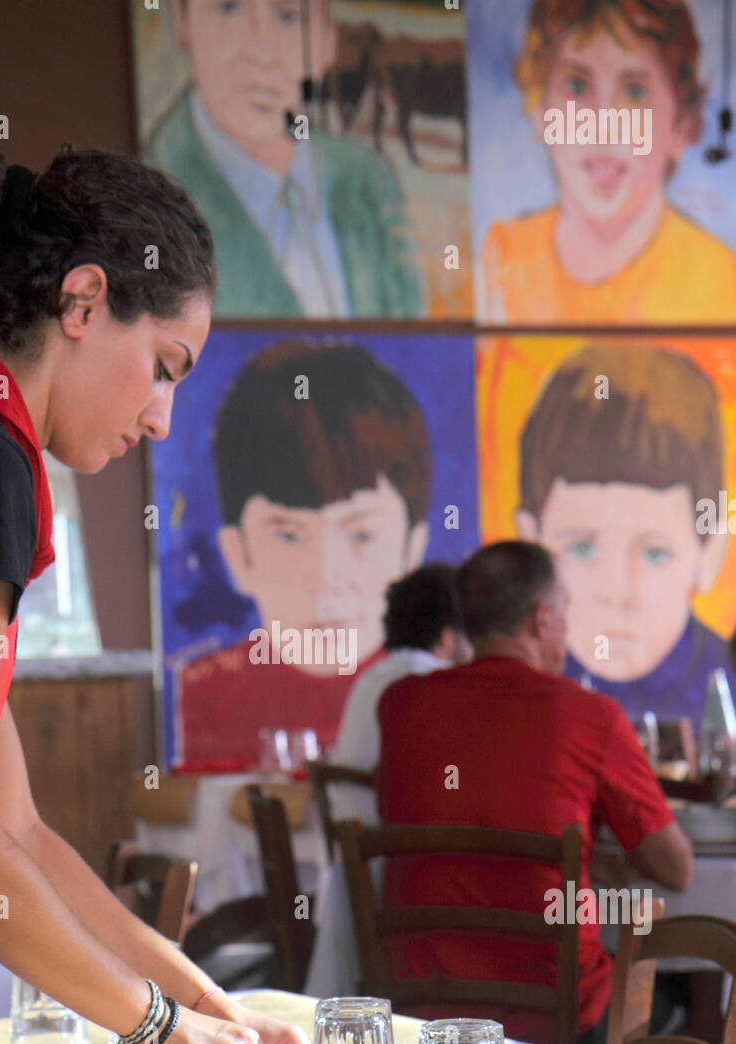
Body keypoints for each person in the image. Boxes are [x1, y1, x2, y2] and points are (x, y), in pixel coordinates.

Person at [0, 146, 311, 1044]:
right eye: (164, 364)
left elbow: (14, 828)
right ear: (82, 302)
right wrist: (161, 1034)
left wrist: (211, 1007)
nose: (160, 416)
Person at [377, 540, 693, 1044]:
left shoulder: (399, 706)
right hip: (556, 1015)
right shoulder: (591, 717)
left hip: (421, 1006)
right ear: (543, 616)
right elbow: (675, 867)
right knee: (688, 988)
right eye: (566, 610)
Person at [179, 338, 432, 766]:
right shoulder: (207, 690)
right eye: (288, 536)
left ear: (412, 552)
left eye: (362, 536)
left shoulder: (428, 694)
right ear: (238, 556)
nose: (326, 575)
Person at [145, 0, 424, 318]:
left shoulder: (368, 178)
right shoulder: (145, 197)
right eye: (228, 9)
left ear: (326, 37)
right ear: (182, 21)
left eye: (288, 16)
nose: (263, 53)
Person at [514, 342, 734, 729]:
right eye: (581, 548)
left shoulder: (726, 682)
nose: (617, 592)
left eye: (654, 554)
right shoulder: (517, 693)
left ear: (710, 552)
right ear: (531, 544)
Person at [478, 0, 736, 325]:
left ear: (681, 124)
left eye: (635, 92)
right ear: (539, 110)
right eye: (577, 86)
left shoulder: (721, 285)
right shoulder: (502, 257)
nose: (603, 126)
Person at [330, 562, 471, 824]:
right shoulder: (430, 682)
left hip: (354, 851)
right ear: (448, 637)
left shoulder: (373, 677)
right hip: (400, 851)